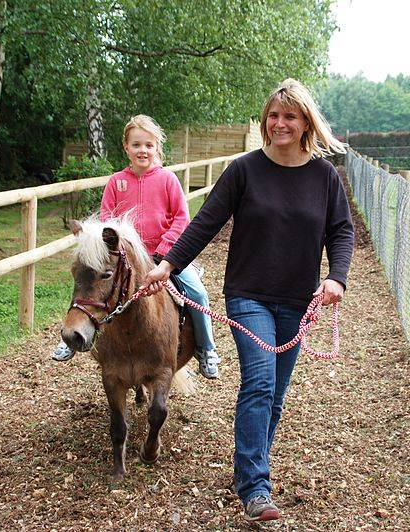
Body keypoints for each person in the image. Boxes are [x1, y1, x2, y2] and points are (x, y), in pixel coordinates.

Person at [141, 79, 354, 521]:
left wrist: (337, 278)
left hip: (298, 300)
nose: (280, 124)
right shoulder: (245, 170)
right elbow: (205, 222)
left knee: (274, 394)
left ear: (305, 122)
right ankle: (256, 487)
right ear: (265, 122)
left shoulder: (324, 177)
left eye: (289, 117)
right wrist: (167, 265)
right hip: (248, 296)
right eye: (273, 116)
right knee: (258, 381)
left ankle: (249, 462)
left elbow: (341, 231)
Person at [51, 114, 222, 380]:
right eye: (137, 145)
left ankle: (206, 349)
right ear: (126, 148)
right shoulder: (116, 182)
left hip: (164, 256)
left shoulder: (168, 180)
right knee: (88, 283)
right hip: (124, 257)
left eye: (149, 145)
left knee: (197, 294)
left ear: (157, 148)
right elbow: (106, 219)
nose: (143, 150)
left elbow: (181, 218)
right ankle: (70, 338)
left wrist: (165, 250)